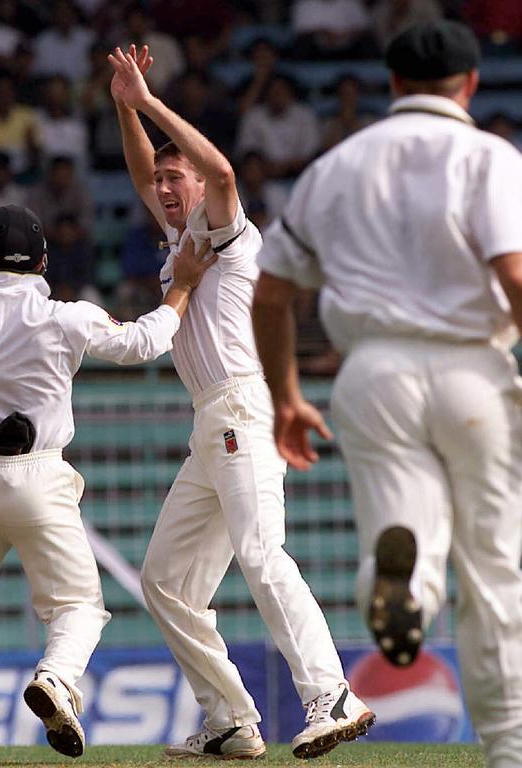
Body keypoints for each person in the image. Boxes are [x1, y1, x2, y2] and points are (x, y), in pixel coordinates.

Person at [0, 109, 217, 767]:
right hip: (39, 479)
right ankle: (56, 679)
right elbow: (146, 341)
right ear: (41, 261)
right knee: (79, 608)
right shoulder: (68, 317)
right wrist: (179, 292)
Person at [252, 21, 522, 768]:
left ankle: (399, 587)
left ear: (393, 83)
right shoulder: (492, 158)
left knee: (402, 525)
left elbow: (271, 294)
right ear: (470, 85)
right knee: (495, 569)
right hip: (475, 369)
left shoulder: (338, 165)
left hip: (372, 373)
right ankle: (509, 752)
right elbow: (515, 277)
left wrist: (286, 396)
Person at [109, 45, 373, 760]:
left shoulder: (228, 232)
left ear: (197, 184)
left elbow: (221, 171)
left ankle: (332, 695)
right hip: (209, 425)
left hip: (241, 411)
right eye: (161, 178)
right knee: (164, 580)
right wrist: (123, 105)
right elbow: (138, 170)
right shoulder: (181, 238)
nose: (162, 187)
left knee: (262, 553)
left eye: (174, 177)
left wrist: (151, 100)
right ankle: (229, 718)